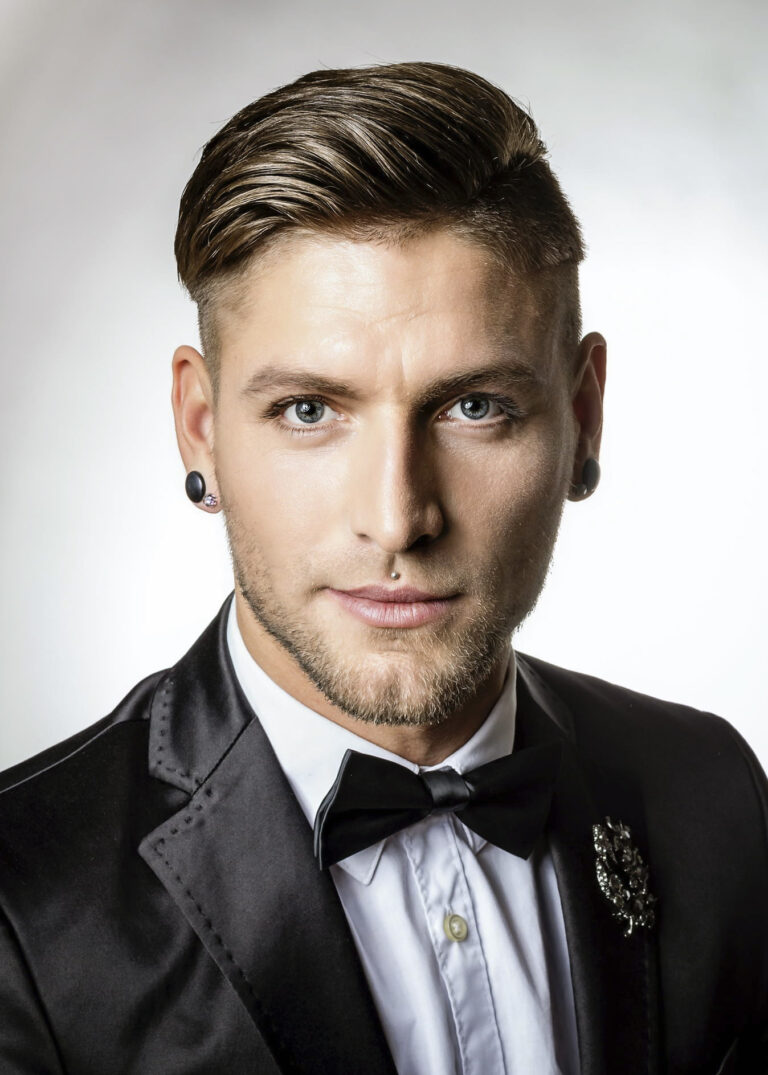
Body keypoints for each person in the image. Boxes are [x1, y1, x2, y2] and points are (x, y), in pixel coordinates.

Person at [0, 60, 765, 1075]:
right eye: (309, 411)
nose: (398, 518)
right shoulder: (20, 904)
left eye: (475, 407)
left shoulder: (715, 793)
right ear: (201, 429)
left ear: (583, 416)